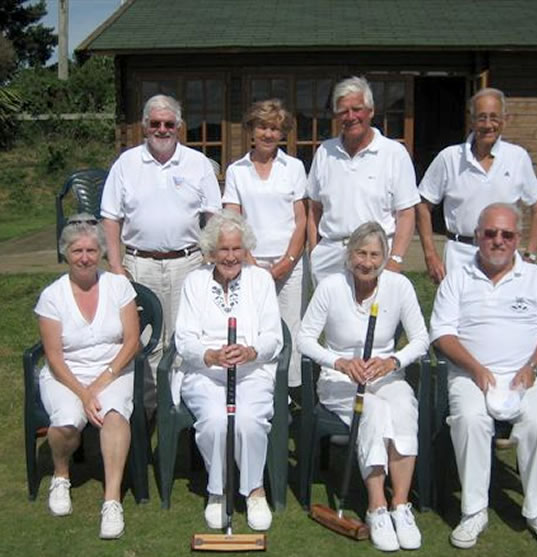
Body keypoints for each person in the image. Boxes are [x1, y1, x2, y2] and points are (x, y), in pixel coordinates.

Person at [430, 203, 537, 551]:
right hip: (469, 373)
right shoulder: (458, 278)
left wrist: (533, 367)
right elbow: (442, 333)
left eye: (506, 234)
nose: (498, 240)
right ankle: (474, 510)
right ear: (477, 236)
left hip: (526, 375)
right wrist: (474, 367)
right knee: (471, 419)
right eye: (490, 233)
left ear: (517, 239)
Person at [297, 221, 429, 552]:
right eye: (360, 253)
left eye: (374, 255)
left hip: (384, 373)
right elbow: (304, 338)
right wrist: (338, 362)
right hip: (339, 378)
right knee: (374, 411)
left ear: (385, 257)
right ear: (348, 253)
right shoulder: (330, 287)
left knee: (402, 406)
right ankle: (376, 507)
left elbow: (421, 339)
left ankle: (400, 505)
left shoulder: (399, 286)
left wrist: (393, 362)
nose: (367, 262)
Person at [101, 94, 222, 411]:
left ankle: (183, 405)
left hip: (188, 262)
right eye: (155, 123)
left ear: (179, 127)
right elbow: (110, 218)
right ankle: (148, 409)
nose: (162, 129)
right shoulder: (126, 164)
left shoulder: (197, 164)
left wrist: (210, 259)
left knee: (185, 338)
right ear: (144, 126)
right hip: (140, 264)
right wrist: (115, 266)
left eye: (169, 124)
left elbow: (213, 217)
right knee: (145, 342)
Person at [175, 210, 283, 532]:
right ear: (211, 252)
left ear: (245, 249)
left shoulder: (261, 280)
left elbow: (273, 336)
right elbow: (183, 338)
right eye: (224, 249)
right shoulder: (194, 282)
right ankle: (218, 491)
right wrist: (209, 355)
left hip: (252, 371)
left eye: (237, 249)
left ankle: (254, 490)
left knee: (249, 420)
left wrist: (251, 351)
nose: (231, 256)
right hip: (205, 373)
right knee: (215, 420)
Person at [34, 214, 140, 539]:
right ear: (66, 253)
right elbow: (53, 356)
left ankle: (111, 501)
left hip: (114, 368)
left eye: (92, 250)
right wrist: (83, 394)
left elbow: (132, 340)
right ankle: (61, 474)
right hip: (65, 374)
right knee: (66, 421)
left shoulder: (119, 286)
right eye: (77, 250)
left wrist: (102, 382)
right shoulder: (52, 296)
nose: (84, 257)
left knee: (115, 416)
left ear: (101, 253)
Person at [416, 87, 537, 283]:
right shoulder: (449, 158)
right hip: (459, 256)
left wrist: (531, 255)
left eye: (494, 117)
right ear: (471, 120)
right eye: (482, 117)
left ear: (505, 119)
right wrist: (430, 255)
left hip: (503, 256)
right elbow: (422, 205)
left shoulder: (517, 158)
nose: (488, 125)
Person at [223, 99, 307, 390]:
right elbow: (233, 220)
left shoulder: (294, 167)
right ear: (251, 130)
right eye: (262, 127)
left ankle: (290, 388)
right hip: (250, 263)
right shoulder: (237, 170)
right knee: (254, 325)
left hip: (290, 263)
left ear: (282, 133)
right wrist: (249, 261)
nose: (268, 134)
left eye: (275, 128)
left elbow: (301, 219)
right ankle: (257, 384)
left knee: (290, 326)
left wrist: (289, 261)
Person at [307, 76, 420, 285]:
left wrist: (395, 260)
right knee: (329, 318)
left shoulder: (394, 153)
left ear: (371, 111)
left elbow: (405, 214)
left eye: (357, 109)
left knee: (374, 317)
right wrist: (315, 252)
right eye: (343, 111)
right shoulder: (324, 152)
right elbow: (314, 209)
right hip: (330, 259)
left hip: (375, 258)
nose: (350, 117)